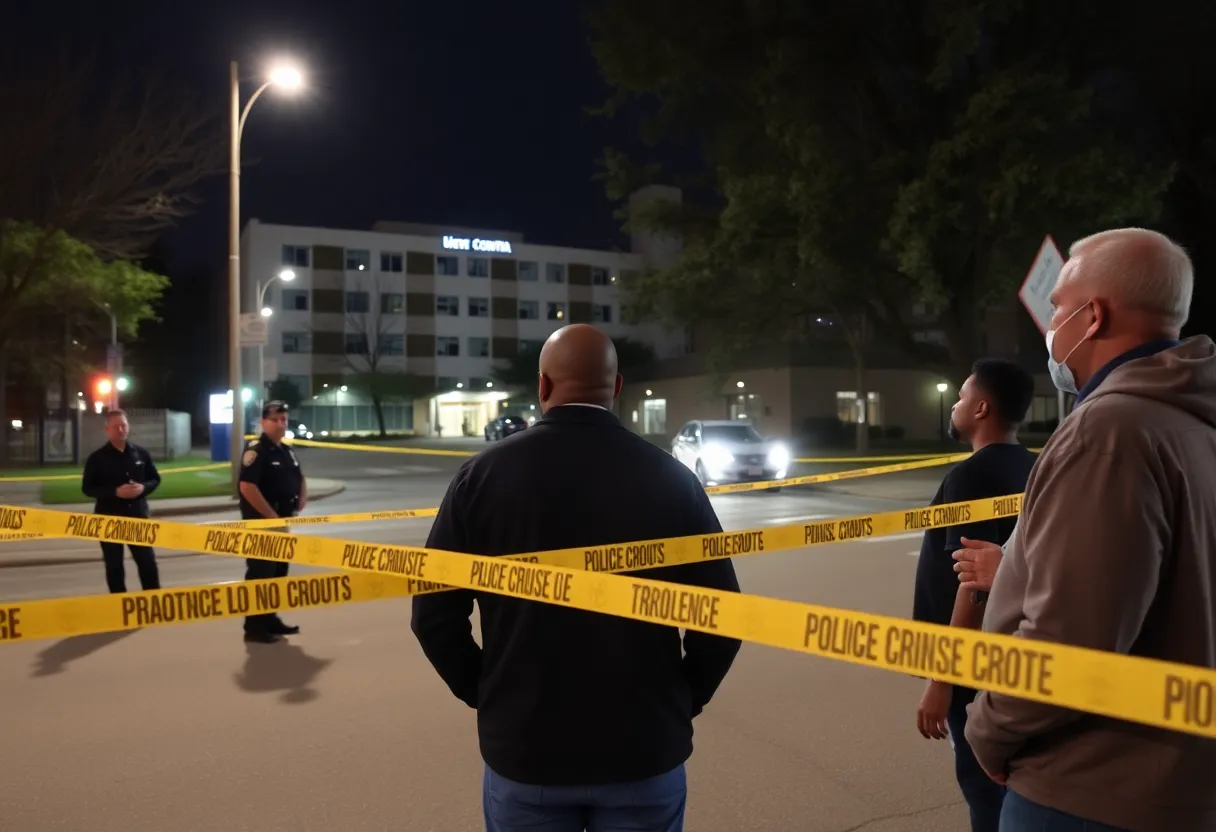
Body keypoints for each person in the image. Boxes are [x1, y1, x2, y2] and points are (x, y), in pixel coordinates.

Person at [411, 323, 742, 832]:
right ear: (615, 387)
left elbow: (433, 613)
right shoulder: (673, 479)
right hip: (643, 749)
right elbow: (722, 614)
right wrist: (682, 699)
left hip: (527, 751)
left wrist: (488, 692)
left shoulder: (482, 477)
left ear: (542, 386)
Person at [958, 228, 1216, 831]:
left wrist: (987, 730)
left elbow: (1070, 644)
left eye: (1056, 305)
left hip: (1087, 787)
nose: (1050, 322)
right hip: (1176, 779)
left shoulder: (1109, 432)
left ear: (1092, 315)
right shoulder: (1191, 418)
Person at [910, 359, 1036, 831]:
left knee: (986, 796)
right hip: (1015, 658)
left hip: (974, 673)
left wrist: (943, 680)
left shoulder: (969, 478)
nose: (956, 404)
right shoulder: (1037, 467)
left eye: (962, 396)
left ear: (982, 408)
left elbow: (974, 582)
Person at [239, 400, 307, 644]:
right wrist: (271, 516)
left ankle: (270, 619)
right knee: (261, 576)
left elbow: (299, 475)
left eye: (284, 419)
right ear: (263, 422)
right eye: (275, 419)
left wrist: (302, 498)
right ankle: (254, 626)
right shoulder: (257, 450)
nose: (281, 424)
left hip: (282, 523)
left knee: (278, 573)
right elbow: (247, 487)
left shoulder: (286, 450)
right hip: (262, 526)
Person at [81, 409, 162, 594]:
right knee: (114, 565)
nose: (121, 430)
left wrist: (143, 488)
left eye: (124, 425)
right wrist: (114, 492)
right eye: (116, 426)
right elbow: (87, 488)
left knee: (147, 562)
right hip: (109, 519)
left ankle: (154, 602)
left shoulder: (140, 454)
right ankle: (119, 607)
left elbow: (155, 479)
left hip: (137, 517)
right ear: (107, 430)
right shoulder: (97, 458)